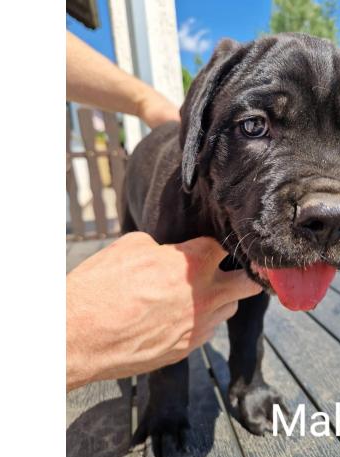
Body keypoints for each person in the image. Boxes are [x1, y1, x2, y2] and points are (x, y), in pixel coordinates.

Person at [66, 32, 262, 392]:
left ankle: (247, 382)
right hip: (148, 184)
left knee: (252, 276)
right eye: (254, 124)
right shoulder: (169, 209)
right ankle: (167, 399)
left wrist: (144, 100)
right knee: (147, 270)